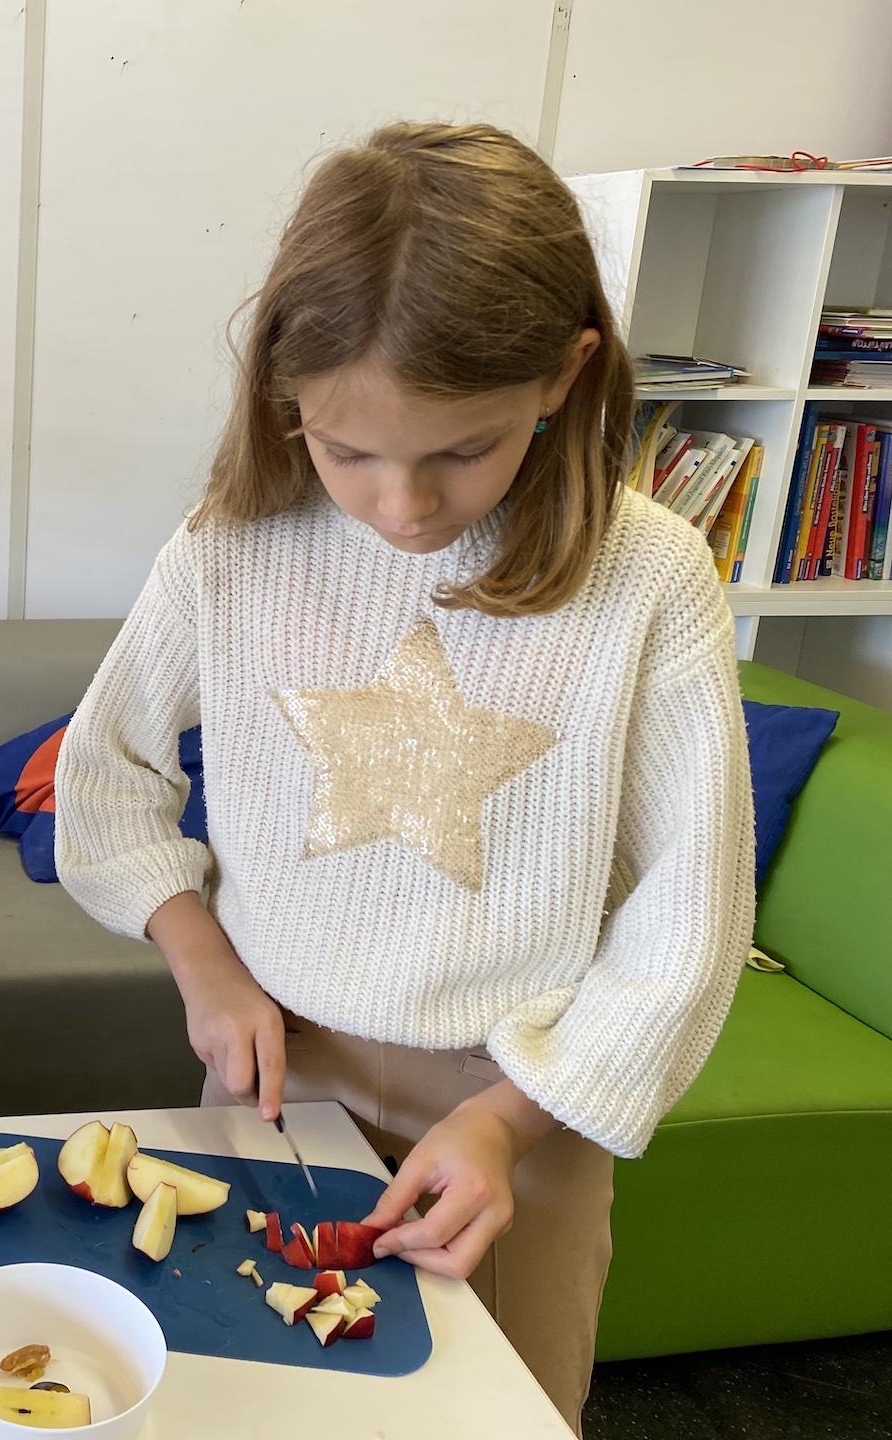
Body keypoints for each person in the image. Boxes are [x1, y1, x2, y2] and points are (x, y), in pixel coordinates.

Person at [53, 122, 752, 1430]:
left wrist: (508, 1123)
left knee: (490, 1413)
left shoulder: (651, 579)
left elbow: (688, 923)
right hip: (273, 1076)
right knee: (240, 1401)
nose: (403, 509)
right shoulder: (231, 548)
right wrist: (204, 963)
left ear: (566, 374)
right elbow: (106, 777)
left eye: (459, 451)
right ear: (285, 396)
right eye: (347, 451)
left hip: (520, 1112)